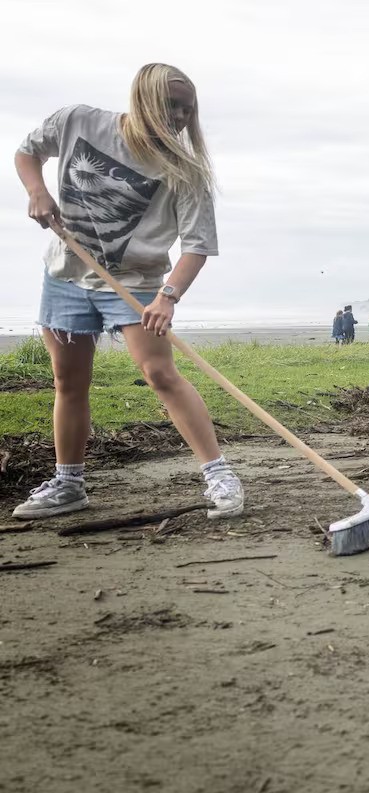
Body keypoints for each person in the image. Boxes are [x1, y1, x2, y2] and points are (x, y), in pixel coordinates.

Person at [11, 63, 244, 520]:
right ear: (143, 99)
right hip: (65, 275)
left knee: (160, 374)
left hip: (135, 285)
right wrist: (37, 191)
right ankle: (68, 484)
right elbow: (27, 152)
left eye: (187, 109)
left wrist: (168, 297)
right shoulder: (78, 121)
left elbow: (197, 246)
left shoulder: (185, 170)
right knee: (68, 381)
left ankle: (219, 475)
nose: (181, 117)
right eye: (171, 105)